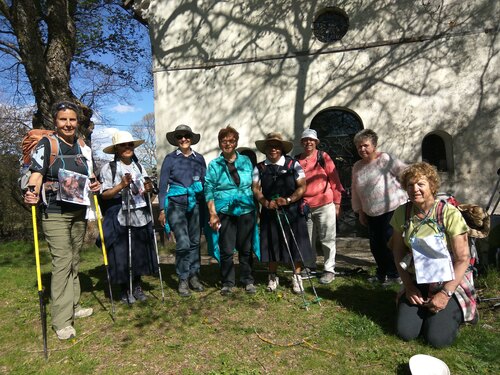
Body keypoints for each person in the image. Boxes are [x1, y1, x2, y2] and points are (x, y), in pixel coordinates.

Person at [24, 100, 101, 340]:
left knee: (74, 259)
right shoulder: (48, 144)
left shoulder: (80, 145)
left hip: (77, 210)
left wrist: (95, 183)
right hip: (55, 211)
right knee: (62, 261)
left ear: (77, 122)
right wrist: (32, 190)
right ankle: (61, 320)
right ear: (55, 122)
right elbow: (36, 173)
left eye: (72, 120)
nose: (68, 124)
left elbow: (88, 176)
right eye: (63, 120)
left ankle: (73, 305)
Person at [390, 162, 477, 348]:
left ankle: (458, 310)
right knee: (406, 332)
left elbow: (463, 258)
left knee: (437, 340)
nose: (415, 189)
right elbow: (397, 251)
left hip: (450, 281)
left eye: (421, 184)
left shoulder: (449, 213)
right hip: (417, 280)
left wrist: (445, 293)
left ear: (432, 185)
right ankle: (425, 310)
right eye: (410, 185)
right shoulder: (402, 213)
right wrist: (408, 286)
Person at [99, 131, 158, 304]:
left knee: (139, 251)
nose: (127, 148)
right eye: (123, 145)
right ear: (116, 149)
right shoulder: (109, 168)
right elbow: (105, 195)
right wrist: (121, 186)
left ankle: (137, 285)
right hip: (119, 214)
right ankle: (125, 288)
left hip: (140, 213)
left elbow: (147, 191)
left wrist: (148, 189)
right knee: (122, 252)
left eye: (130, 144)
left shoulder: (139, 166)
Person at [252, 132, 313, 294]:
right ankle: (272, 276)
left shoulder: (293, 164)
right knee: (271, 243)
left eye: (276, 146)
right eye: (270, 146)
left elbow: (302, 186)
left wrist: (288, 200)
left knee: (296, 243)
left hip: (292, 209)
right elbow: (256, 189)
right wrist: (265, 202)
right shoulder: (259, 167)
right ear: (265, 149)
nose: (273, 149)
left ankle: (297, 276)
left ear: (281, 149)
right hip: (270, 210)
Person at [205, 126, 260, 295]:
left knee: (245, 247)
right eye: (224, 141)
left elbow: (254, 184)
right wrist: (213, 213)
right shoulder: (214, 165)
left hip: (246, 209)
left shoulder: (245, 161)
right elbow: (209, 189)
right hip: (224, 211)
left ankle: (247, 279)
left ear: (236, 142)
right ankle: (228, 282)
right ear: (220, 143)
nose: (227, 144)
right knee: (227, 249)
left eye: (231, 140)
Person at [351, 129, 407, 285]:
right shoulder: (357, 166)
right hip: (371, 212)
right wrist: (360, 211)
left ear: (374, 145)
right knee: (376, 246)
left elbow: (405, 172)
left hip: (392, 209)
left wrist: (409, 191)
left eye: (365, 145)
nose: (362, 149)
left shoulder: (385, 159)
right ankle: (382, 273)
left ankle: (395, 275)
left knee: (392, 243)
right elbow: (355, 190)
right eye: (359, 147)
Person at [158, 124, 206, 297]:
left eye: (187, 136)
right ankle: (183, 278)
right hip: (176, 204)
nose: (184, 139)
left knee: (194, 242)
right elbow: (163, 186)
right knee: (184, 242)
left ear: (191, 138)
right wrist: (162, 209)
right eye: (180, 136)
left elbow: (204, 180)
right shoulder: (170, 159)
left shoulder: (199, 158)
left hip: (196, 204)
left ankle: (194, 275)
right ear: (176, 140)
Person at [296, 129, 344, 284]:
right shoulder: (296, 160)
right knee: (307, 239)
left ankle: (329, 269)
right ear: (301, 142)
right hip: (305, 206)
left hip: (325, 204)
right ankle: (309, 267)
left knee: (327, 238)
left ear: (316, 142)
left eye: (311, 140)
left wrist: (337, 203)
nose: (308, 143)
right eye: (305, 140)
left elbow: (335, 181)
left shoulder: (323, 157)